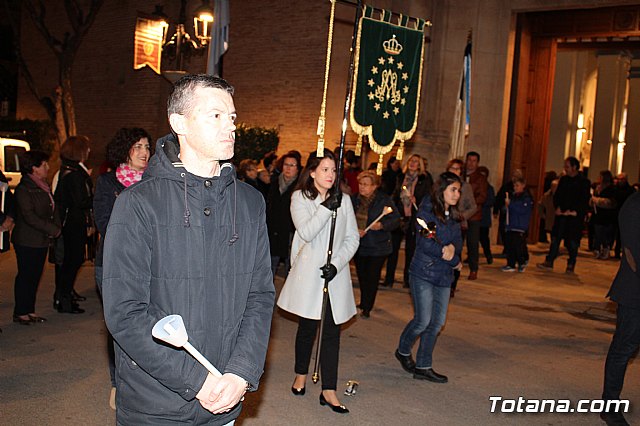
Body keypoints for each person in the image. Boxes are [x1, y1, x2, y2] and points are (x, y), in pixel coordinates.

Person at [102, 74, 275, 425]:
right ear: (178, 122)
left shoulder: (250, 202)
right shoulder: (138, 204)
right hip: (156, 404)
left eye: (232, 117)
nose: (230, 126)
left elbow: (259, 295)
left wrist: (240, 372)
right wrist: (197, 380)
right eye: (215, 115)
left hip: (225, 392)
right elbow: (125, 313)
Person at [277, 150, 359, 414]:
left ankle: (329, 389)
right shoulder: (299, 198)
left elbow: (351, 238)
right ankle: (301, 372)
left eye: (334, 170)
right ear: (312, 172)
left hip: (334, 274)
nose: (330, 175)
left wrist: (336, 264)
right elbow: (307, 231)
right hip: (309, 275)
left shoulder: (344, 200)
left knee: (331, 333)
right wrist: (326, 207)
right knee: (308, 328)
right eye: (324, 169)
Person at [93, 127, 152, 410]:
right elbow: (104, 223)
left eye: (147, 147)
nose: (144, 152)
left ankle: (141, 383)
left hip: (150, 267)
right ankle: (118, 383)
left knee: (146, 327)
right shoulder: (107, 182)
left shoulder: (155, 182)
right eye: (138, 146)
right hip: (113, 265)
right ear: (125, 150)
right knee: (118, 326)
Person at [395, 172, 463, 383]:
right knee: (423, 320)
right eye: (453, 189)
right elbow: (426, 243)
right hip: (423, 272)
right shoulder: (425, 211)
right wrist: (449, 254)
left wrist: (452, 252)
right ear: (441, 190)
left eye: (459, 190)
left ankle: (423, 366)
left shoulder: (454, 216)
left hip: (443, 275)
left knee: (437, 322)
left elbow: (458, 243)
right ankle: (403, 350)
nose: (457, 194)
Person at [600, 191, 640, 426]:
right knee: (623, 349)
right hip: (634, 293)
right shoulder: (634, 205)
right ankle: (609, 405)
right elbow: (634, 253)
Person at [11, 150, 61, 325]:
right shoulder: (24, 188)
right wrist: (52, 229)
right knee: (26, 276)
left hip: (40, 240)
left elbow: (51, 208)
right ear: (33, 168)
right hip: (27, 240)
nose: (47, 167)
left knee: (35, 276)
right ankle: (20, 312)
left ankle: (29, 310)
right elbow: (28, 215)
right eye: (43, 164)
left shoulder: (42, 185)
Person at [351, 171, 400, 318]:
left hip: (378, 246)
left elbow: (396, 219)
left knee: (372, 277)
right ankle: (365, 300)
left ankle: (367, 306)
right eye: (360, 184)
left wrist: (382, 225)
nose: (362, 187)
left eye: (366, 185)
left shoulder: (383, 200)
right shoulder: (354, 200)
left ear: (374, 186)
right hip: (359, 244)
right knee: (362, 276)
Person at [53, 135, 93, 314]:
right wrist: (97, 197)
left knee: (70, 261)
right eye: (86, 148)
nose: (89, 151)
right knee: (72, 261)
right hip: (73, 224)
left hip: (70, 223)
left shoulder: (67, 170)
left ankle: (64, 296)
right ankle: (64, 300)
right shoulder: (74, 174)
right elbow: (80, 201)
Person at [537, 156, 591, 274]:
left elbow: (584, 199)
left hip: (574, 218)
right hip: (561, 215)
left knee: (572, 242)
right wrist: (558, 208)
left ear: (574, 167)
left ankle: (571, 263)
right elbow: (558, 196)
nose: (565, 169)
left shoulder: (584, 182)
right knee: (555, 239)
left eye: (567, 166)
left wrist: (574, 211)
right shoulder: (564, 180)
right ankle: (549, 261)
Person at [394, 154, 433, 288]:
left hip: (414, 216)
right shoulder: (400, 177)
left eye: (416, 161)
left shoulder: (424, 178)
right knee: (393, 247)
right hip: (400, 214)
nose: (412, 163)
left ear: (420, 165)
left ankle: (407, 279)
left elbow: (429, 196)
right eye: (411, 160)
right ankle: (389, 278)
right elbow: (394, 193)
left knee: (411, 249)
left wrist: (418, 200)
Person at [266, 150, 302, 278]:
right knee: (270, 266)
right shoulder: (274, 183)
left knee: (291, 268)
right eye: (286, 164)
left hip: (290, 232)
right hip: (273, 230)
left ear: (297, 169)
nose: (288, 168)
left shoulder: (300, 186)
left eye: (292, 165)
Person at [446, 159, 476, 297]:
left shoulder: (466, 187)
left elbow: (473, 207)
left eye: (458, 169)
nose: (455, 171)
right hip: (443, 223)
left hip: (458, 225)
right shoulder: (441, 185)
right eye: (452, 168)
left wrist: (462, 216)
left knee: (455, 254)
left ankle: (452, 285)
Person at [500, 176, 533, 273]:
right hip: (511, 225)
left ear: (523, 186)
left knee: (518, 246)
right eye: (514, 185)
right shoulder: (514, 196)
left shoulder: (526, 198)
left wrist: (510, 205)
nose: (515, 187)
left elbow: (522, 210)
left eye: (517, 185)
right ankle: (511, 263)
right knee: (510, 246)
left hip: (519, 226)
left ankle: (522, 261)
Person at [463, 151, 488, 280]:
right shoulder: (461, 175)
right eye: (469, 160)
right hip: (460, 214)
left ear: (477, 163)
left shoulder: (481, 178)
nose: (471, 163)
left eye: (474, 161)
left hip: (474, 214)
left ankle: (473, 268)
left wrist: (470, 204)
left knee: (472, 243)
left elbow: (483, 196)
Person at [590, 170, 617, 260]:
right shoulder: (597, 188)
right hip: (598, 215)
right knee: (597, 234)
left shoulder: (612, 189)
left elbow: (611, 203)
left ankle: (606, 249)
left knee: (605, 235)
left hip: (607, 216)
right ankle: (597, 249)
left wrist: (597, 200)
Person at [477, 166, 495, 265]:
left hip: (484, 217)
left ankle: (488, 255)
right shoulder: (475, 186)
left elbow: (491, 201)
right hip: (475, 216)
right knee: (474, 239)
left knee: (484, 238)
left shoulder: (489, 188)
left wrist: (481, 202)